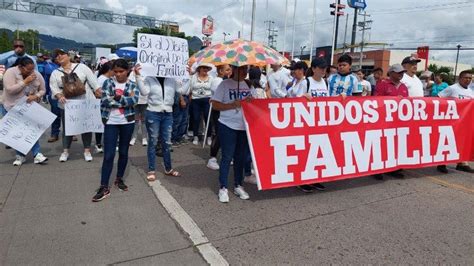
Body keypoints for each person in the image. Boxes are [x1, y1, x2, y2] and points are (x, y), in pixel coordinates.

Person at [92, 59, 140, 202]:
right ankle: (103, 186)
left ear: (127, 71)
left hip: (127, 121)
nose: (118, 74)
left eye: (122, 71)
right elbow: (105, 100)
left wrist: (116, 97)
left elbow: (135, 100)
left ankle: (119, 179)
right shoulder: (108, 83)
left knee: (124, 152)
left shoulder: (132, 84)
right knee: (109, 155)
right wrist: (124, 98)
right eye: (116, 71)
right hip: (111, 121)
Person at [135, 66, 188, 182]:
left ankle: (168, 168)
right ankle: (151, 169)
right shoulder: (149, 78)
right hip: (153, 112)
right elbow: (144, 92)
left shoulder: (172, 79)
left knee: (167, 142)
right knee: (153, 141)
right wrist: (138, 76)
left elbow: (183, 91)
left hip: (168, 113)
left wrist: (189, 75)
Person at [211, 65, 255, 203]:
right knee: (227, 157)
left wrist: (250, 102)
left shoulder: (247, 85)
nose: (244, 72)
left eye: (245, 70)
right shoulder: (224, 84)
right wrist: (232, 104)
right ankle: (223, 187)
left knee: (240, 158)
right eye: (241, 69)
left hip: (243, 126)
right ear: (234, 70)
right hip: (227, 125)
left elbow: (252, 104)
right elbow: (215, 104)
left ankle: (238, 185)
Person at [50, 48, 101, 162]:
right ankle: (65, 151)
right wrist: (59, 96)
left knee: (86, 127)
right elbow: (54, 88)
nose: (59, 56)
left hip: (85, 101)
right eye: (56, 55)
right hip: (67, 105)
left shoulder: (82, 67)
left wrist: (98, 91)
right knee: (67, 128)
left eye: (62, 54)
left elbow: (94, 82)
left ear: (68, 56)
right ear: (55, 60)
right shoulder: (55, 73)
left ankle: (87, 150)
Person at [2, 57, 48, 166]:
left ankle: (37, 154)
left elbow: (43, 90)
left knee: (31, 130)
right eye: (28, 70)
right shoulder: (10, 72)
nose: (31, 72)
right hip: (11, 106)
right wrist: (25, 82)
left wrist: (36, 96)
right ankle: (20, 155)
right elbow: (9, 90)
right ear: (20, 67)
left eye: (32, 69)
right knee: (17, 132)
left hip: (29, 107)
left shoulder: (36, 74)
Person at [373, 64, 410, 179]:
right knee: (382, 144)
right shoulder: (383, 84)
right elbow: (376, 102)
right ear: (391, 73)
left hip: (399, 121)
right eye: (399, 72)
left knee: (395, 145)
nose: (401, 74)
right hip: (385, 120)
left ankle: (393, 168)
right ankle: (377, 169)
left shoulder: (404, 87)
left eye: (402, 72)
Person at [436, 70, 474, 174]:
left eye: (470, 78)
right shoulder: (452, 88)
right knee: (448, 142)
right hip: (452, 121)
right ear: (459, 78)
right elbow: (438, 99)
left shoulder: (471, 91)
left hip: (464, 122)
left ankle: (461, 164)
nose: (468, 80)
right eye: (465, 78)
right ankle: (441, 164)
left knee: (462, 142)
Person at [206, 64, 232, 170]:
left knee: (227, 134)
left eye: (230, 69)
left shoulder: (225, 81)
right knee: (218, 134)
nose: (229, 71)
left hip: (225, 110)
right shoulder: (217, 81)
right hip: (218, 110)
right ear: (220, 71)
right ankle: (212, 159)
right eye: (227, 70)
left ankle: (225, 155)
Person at [189, 62, 214, 145]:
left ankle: (209, 136)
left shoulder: (211, 78)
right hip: (196, 100)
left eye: (206, 68)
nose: (205, 69)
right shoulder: (193, 77)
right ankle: (195, 136)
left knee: (208, 118)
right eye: (203, 67)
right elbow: (190, 88)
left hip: (207, 100)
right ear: (199, 69)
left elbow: (213, 89)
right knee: (196, 118)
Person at [95, 61, 114, 152]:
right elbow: (97, 93)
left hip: (106, 105)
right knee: (100, 125)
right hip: (101, 105)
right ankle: (98, 144)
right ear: (109, 70)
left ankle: (104, 143)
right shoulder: (102, 79)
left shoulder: (109, 78)